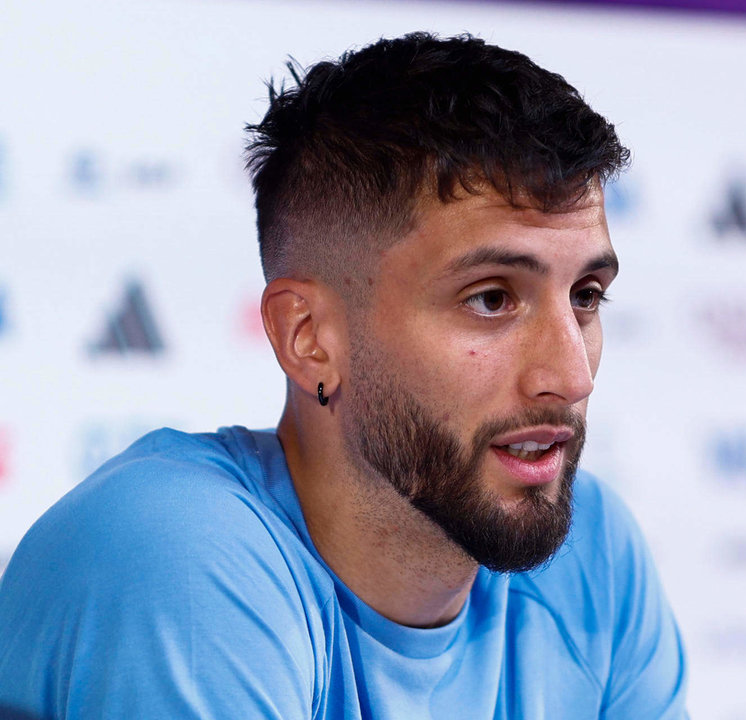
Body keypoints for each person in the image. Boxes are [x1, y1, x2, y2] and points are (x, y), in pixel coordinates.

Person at [0, 33, 687, 719]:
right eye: (491, 299)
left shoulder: (591, 553)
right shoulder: (182, 558)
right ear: (310, 339)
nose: (571, 376)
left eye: (586, 296)